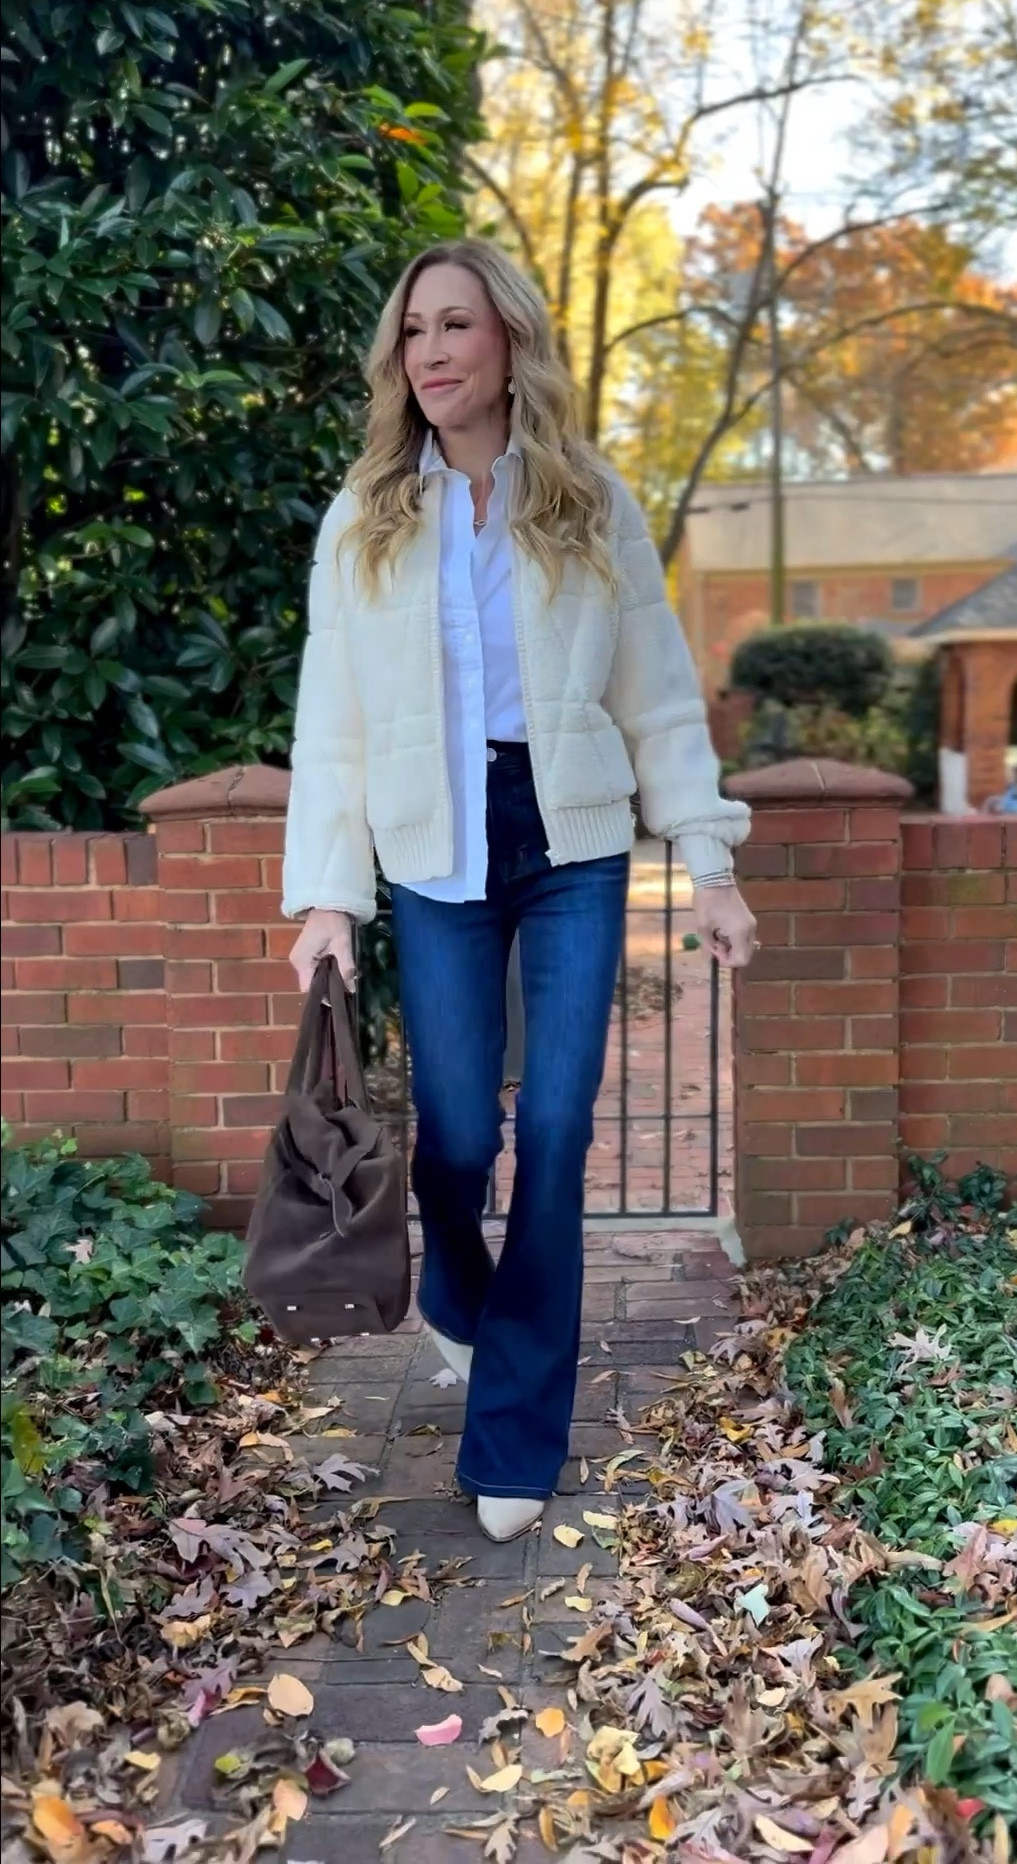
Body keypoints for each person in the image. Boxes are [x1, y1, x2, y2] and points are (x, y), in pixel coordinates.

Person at [283, 239, 756, 1544]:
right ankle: (457, 1295)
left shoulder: (589, 500)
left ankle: (515, 1431)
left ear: (509, 343)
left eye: (456, 327)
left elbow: (653, 691)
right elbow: (333, 723)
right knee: (454, 1135)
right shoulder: (367, 515)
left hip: (570, 843)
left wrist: (707, 861)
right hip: (434, 845)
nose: (430, 352)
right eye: (413, 332)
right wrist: (327, 893)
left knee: (552, 1134)